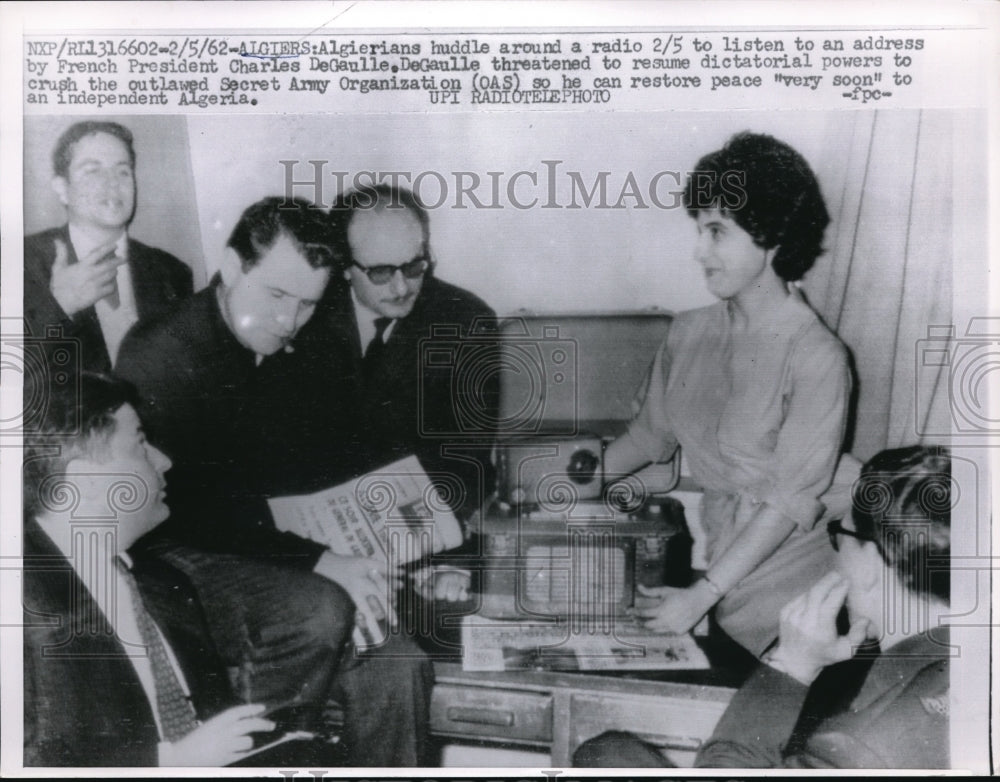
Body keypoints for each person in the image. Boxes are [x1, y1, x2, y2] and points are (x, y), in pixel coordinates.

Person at [115, 196, 433, 766]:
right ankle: (260, 761)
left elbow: (318, 461)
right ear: (234, 268)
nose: (288, 322)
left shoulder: (295, 341)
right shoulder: (163, 350)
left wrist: (370, 535)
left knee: (398, 662)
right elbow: (185, 506)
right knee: (318, 611)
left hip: (265, 540)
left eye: (307, 304)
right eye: (277, 296)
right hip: (177, 555)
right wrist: (317, 559)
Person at [603, 132, 852, 657]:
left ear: (774, 237)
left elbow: (787, 503)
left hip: (804, 585)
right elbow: (649, 437)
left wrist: (700, 596)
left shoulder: (818, 355)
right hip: (724, 575)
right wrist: (559, 485)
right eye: (699, 230)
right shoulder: (689, 332)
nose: (699, 251)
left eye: (717, 232)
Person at [575, 445, 951, 769]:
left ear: (870, 564)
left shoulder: (859, 747)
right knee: (608, 752)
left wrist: (790, 666)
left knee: (602, 755)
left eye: (839, 534)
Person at [22, 372, 278, 766]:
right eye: (141, 444)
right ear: (86, 481)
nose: (164, 460)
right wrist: (169, 765)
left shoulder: (163, 581)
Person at [308, 183, 500, 601]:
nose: (400, 287)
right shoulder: (304, 311)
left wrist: (439, 560)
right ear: (344, 266)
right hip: (325, 542)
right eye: (379, 272)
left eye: (414, 266)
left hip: (426, 544)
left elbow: (464, 460)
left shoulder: (466, 322)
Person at [24, 121, 193, 372]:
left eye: (123, 171)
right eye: (93, 171)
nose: (113, 183)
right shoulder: (22, 261)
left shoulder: (172, 272)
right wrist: (59, 306)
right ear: (62, 189)